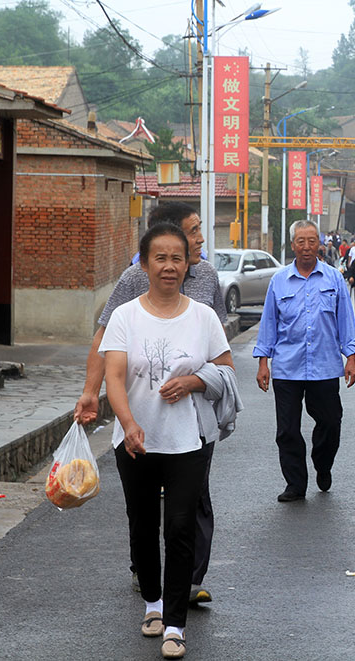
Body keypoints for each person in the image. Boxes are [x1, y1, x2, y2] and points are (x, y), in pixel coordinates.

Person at [74, 201, 225, 606]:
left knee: (188, 509)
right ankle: (149, 581)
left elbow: (222, 354)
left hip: (191, 423)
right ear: (150, 255)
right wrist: (92, 392)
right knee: (143, 515)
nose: (197, 241)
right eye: (191, 232)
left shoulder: (206, 277)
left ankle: (187, 580)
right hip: (138, 421)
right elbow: (105, 343)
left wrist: (197, 381)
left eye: (191, 242)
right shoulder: (129, 285)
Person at [101, 223, 235, 660]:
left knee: (179, 526)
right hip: (135, 440)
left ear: (187, 263)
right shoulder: (126, 316)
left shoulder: (204, 317)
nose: (169, 266)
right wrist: (128, 422)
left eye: (177, 257)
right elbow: (114, 376)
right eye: (159, 257)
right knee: (142, 523)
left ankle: (175, 624)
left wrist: (195, 381)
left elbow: (227, 371)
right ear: (143, 264)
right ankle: (153, 605)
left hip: (189, 440)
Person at [254, 220, 355, 502]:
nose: (307, 247)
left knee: (330, 422)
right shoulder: (279, 281)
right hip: (287, 368)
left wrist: (351, 357)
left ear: (319, 244)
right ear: (293, 245)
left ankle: (322, 464)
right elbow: (269, 324)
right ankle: (295, 485)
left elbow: (345, 321)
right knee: (287, 429)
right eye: (301, 241)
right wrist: (263, 362)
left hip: (325, 367)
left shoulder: (333, 278)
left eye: (312, 240)